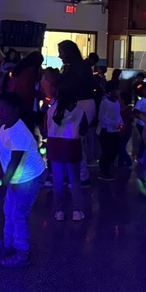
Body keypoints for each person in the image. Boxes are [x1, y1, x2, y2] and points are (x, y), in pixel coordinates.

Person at [0, 92, 46, 268]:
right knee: (9, 210)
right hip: (17, 178)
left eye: (3, 109)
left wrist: (3, 184)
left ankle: (22, 252)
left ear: (15, 110)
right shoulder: (5, 127)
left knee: (18, 214)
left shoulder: (19, 132)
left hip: (28, 179)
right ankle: (9, 244)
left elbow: (15, 161)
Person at [44, 71, 89, 223]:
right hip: (72, 147)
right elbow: (83, 130)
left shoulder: (51, 111)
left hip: (55, 146)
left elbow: (46, 128)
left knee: (57, 180)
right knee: (74, 180)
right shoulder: (79, 112)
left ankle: (59, 211)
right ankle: (76, 211)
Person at [56, 41, 96, 184]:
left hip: (80, 104)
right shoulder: (78, 67)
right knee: (75, 140)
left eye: (60, 51)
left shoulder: (76, 68)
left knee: (75, 141)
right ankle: (78, 174)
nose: (59, 55)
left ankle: (81, 175)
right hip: (81, 104)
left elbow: (72, 87)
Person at [7, 52, 43, 130]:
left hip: (17, 102)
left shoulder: (19, 70)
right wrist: (38, 95)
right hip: (25, 104)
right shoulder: (29, 73)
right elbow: (27, 90)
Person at [97, 82, 123, 181]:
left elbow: (118, 115)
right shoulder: (105, 102)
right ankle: (103, 170)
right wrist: (114, 124)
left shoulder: (116, 102)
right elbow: (101, 117)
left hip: (114, 130)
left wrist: (121, 123)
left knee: (115, 150)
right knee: (107, 151)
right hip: (106, 130)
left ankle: (105, 168)